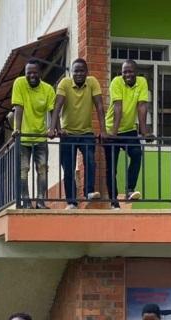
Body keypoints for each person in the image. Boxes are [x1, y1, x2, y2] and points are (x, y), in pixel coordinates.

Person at [50, 58, 107, 208]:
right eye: (76, 71)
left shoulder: (92, 82)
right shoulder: (65, 83)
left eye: (82, 71)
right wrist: (53, 128)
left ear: (87, 72)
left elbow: (100, 106)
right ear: (71, 72)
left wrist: (103, 131)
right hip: (67, 133)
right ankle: (71, 201)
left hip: (86, 131)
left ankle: (89, 191)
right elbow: (57, 106)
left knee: (90, 160)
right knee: (68, 167)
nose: (79, 74)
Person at [104, 59, 151, 209]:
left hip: (129, 129)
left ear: (136, 72)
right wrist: (114, 134)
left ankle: (130, 189)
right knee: (111, 168)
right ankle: (114, 201)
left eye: (130, 71)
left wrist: (144, 133)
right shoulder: (116, 82)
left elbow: (142, 107)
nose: (127, 74)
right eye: (124, 72)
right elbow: (118, 107)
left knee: (137, 154)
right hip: (112, 129)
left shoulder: (142, 82)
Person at [12, 59, 56, 209]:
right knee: (23, 170)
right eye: (28, 73)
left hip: (40, 137)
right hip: (23, 138)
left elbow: (52, 111)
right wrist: (17, 129)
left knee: (42, 168)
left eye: (34, 73)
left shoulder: (48, 89)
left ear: (40, 73)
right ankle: (26, 201)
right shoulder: (19, 83)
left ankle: (41, 201)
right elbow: (18, 107)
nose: (31, 75)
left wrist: (52, 128)